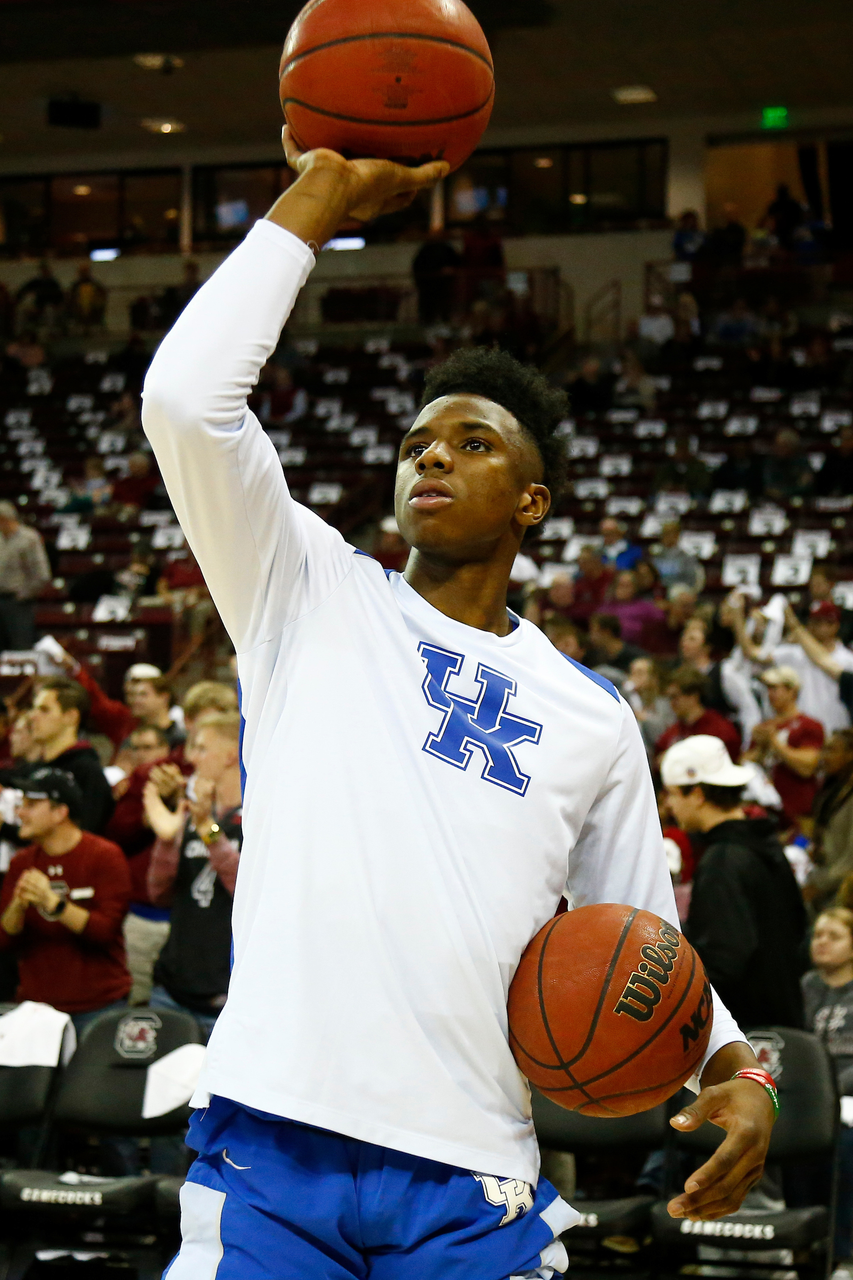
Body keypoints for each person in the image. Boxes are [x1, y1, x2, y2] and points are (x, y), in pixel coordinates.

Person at [140, 137, 773, 1276]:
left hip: (472, 1161)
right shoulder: (306, 590)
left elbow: (645, 938)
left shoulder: (592, 715)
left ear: (533, 498)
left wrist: (737, 1071)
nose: (431, 456)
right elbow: (186, 400)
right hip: (273, 1135)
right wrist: (316, 201)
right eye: (416, 444)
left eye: (471, 442)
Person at [662, 735, 807, 1030]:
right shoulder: (764, 843)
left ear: (698, 794)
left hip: (750, 1029)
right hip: (786, 1017)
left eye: (673, 793)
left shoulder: (723, 860)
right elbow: (798, 922)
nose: (669, 805)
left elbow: (724, 958)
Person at [0, 767, 131, 1038]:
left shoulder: (105, 856)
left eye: (32, 805)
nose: (21, 812)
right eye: (22, 804)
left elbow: (104, 932)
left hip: (98, 1007)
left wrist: (53, 902)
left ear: (61, 812)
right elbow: (5, 938)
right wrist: (18, 904)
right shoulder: (22, 863)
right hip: (36, 1008)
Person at [144, 712, 243, 1039]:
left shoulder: (258, 816)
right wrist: (168, 838)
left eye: (201, 748)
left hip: (226, 998)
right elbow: (158, 893)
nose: (191, 758)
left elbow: (245, 891)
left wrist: (209, 834)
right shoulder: (193, 813)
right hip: (172, 989)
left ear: (231, 755)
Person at [800, 909, 853, 1265]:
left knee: (846, 1144)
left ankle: (844, 1255)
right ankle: (803, 1244)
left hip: (849, 1095)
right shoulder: (803, 987)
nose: (821, 942)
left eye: (833, 936)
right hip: (808, 1095)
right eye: (818, 934)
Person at [27, 677, 115, 833]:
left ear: (71, 717)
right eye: (33, 708)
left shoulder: (88, 772)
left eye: (44, 710)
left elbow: (84, 835)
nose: (32, 716)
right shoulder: (32, 768)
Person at [744, 667, 824, 831]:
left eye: (775, 688)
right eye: (768, 689)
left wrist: (774, 742)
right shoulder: (763, 727)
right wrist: (761, 747)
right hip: (764, 812)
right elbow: (744, 764)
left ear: (792, 691)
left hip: (799, 811)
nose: (770, 694)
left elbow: (807, 767)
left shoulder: (809, 725)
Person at [806, 731, 853, 912]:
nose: (823, 757)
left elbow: (850, 861)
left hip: (842, 893)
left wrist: (817, 885)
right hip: (824, 880)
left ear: (850, 755)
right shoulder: (832, 789)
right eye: (823, 750)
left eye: (831, 750)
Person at [656, 665, 742, 764]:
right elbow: (658, 758)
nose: (672, 703)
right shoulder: (672, 731)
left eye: (675, 697)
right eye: (670, 698)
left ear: (693, 696)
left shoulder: (720, 729)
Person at [0, 501, 51, 650]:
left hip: (18, 601)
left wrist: (23, 595)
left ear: (5, 519)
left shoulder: (29, 538)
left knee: (20, 645)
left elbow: (42, 574)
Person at [623, 656, 675, 758]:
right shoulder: (625, 699)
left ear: (653, 678)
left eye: (640, 673)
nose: (635, 677)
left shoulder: (664, 704)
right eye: (632, 673)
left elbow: (664, 734)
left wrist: (644, 717)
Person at [605, 569, 664, 646]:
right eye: (620, 585)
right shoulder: (607, 607)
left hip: (637, 647)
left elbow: (660, 625)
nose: (623, 589)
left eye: (627, 586)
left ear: (635, 588)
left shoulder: (646, 607)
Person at [412, 233, 461, 325]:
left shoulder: (445, 249)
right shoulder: (426, 250)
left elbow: (457, 262)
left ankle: (443, 323)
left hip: (442, 285)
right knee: (428, 310)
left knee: (443, 309)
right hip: (429, 286)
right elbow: (417, 267)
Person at [762, 428, 814, 502]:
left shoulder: (802, 462)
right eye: (778, 446)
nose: (779, 449)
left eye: (784, 446)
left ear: (792, 447)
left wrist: (784, 492)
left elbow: (806, 487)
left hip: (798, 500)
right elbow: (770, 488)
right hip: (775, 502)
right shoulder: (771, 462)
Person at [652, 521, 705, 594]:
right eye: (664, 533)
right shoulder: (655, 557)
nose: (667, 537)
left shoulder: (687, 558)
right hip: (659, 593)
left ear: (677, 535)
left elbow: (691, 581)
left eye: (670, 533)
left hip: (679, 592)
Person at [587, 612, 646, 677]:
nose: (590, 636)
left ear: (606, 632)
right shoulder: (595, 655)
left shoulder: (636, 656)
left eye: (593, 631)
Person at [569, 544, 614, 623]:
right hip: (582, 620)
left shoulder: (610, 579)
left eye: (584, 561)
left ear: (596, 560)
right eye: (579, 561)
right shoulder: (579, 581)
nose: (580, 564)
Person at [66, 262, 107, 330]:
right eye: (82, 272)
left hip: (94, 308)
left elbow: (102, 294)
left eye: (85, 272)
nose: (84, 274)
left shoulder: (94, 284)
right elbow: (70, 296)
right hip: (78, 309)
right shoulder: (76, 285)